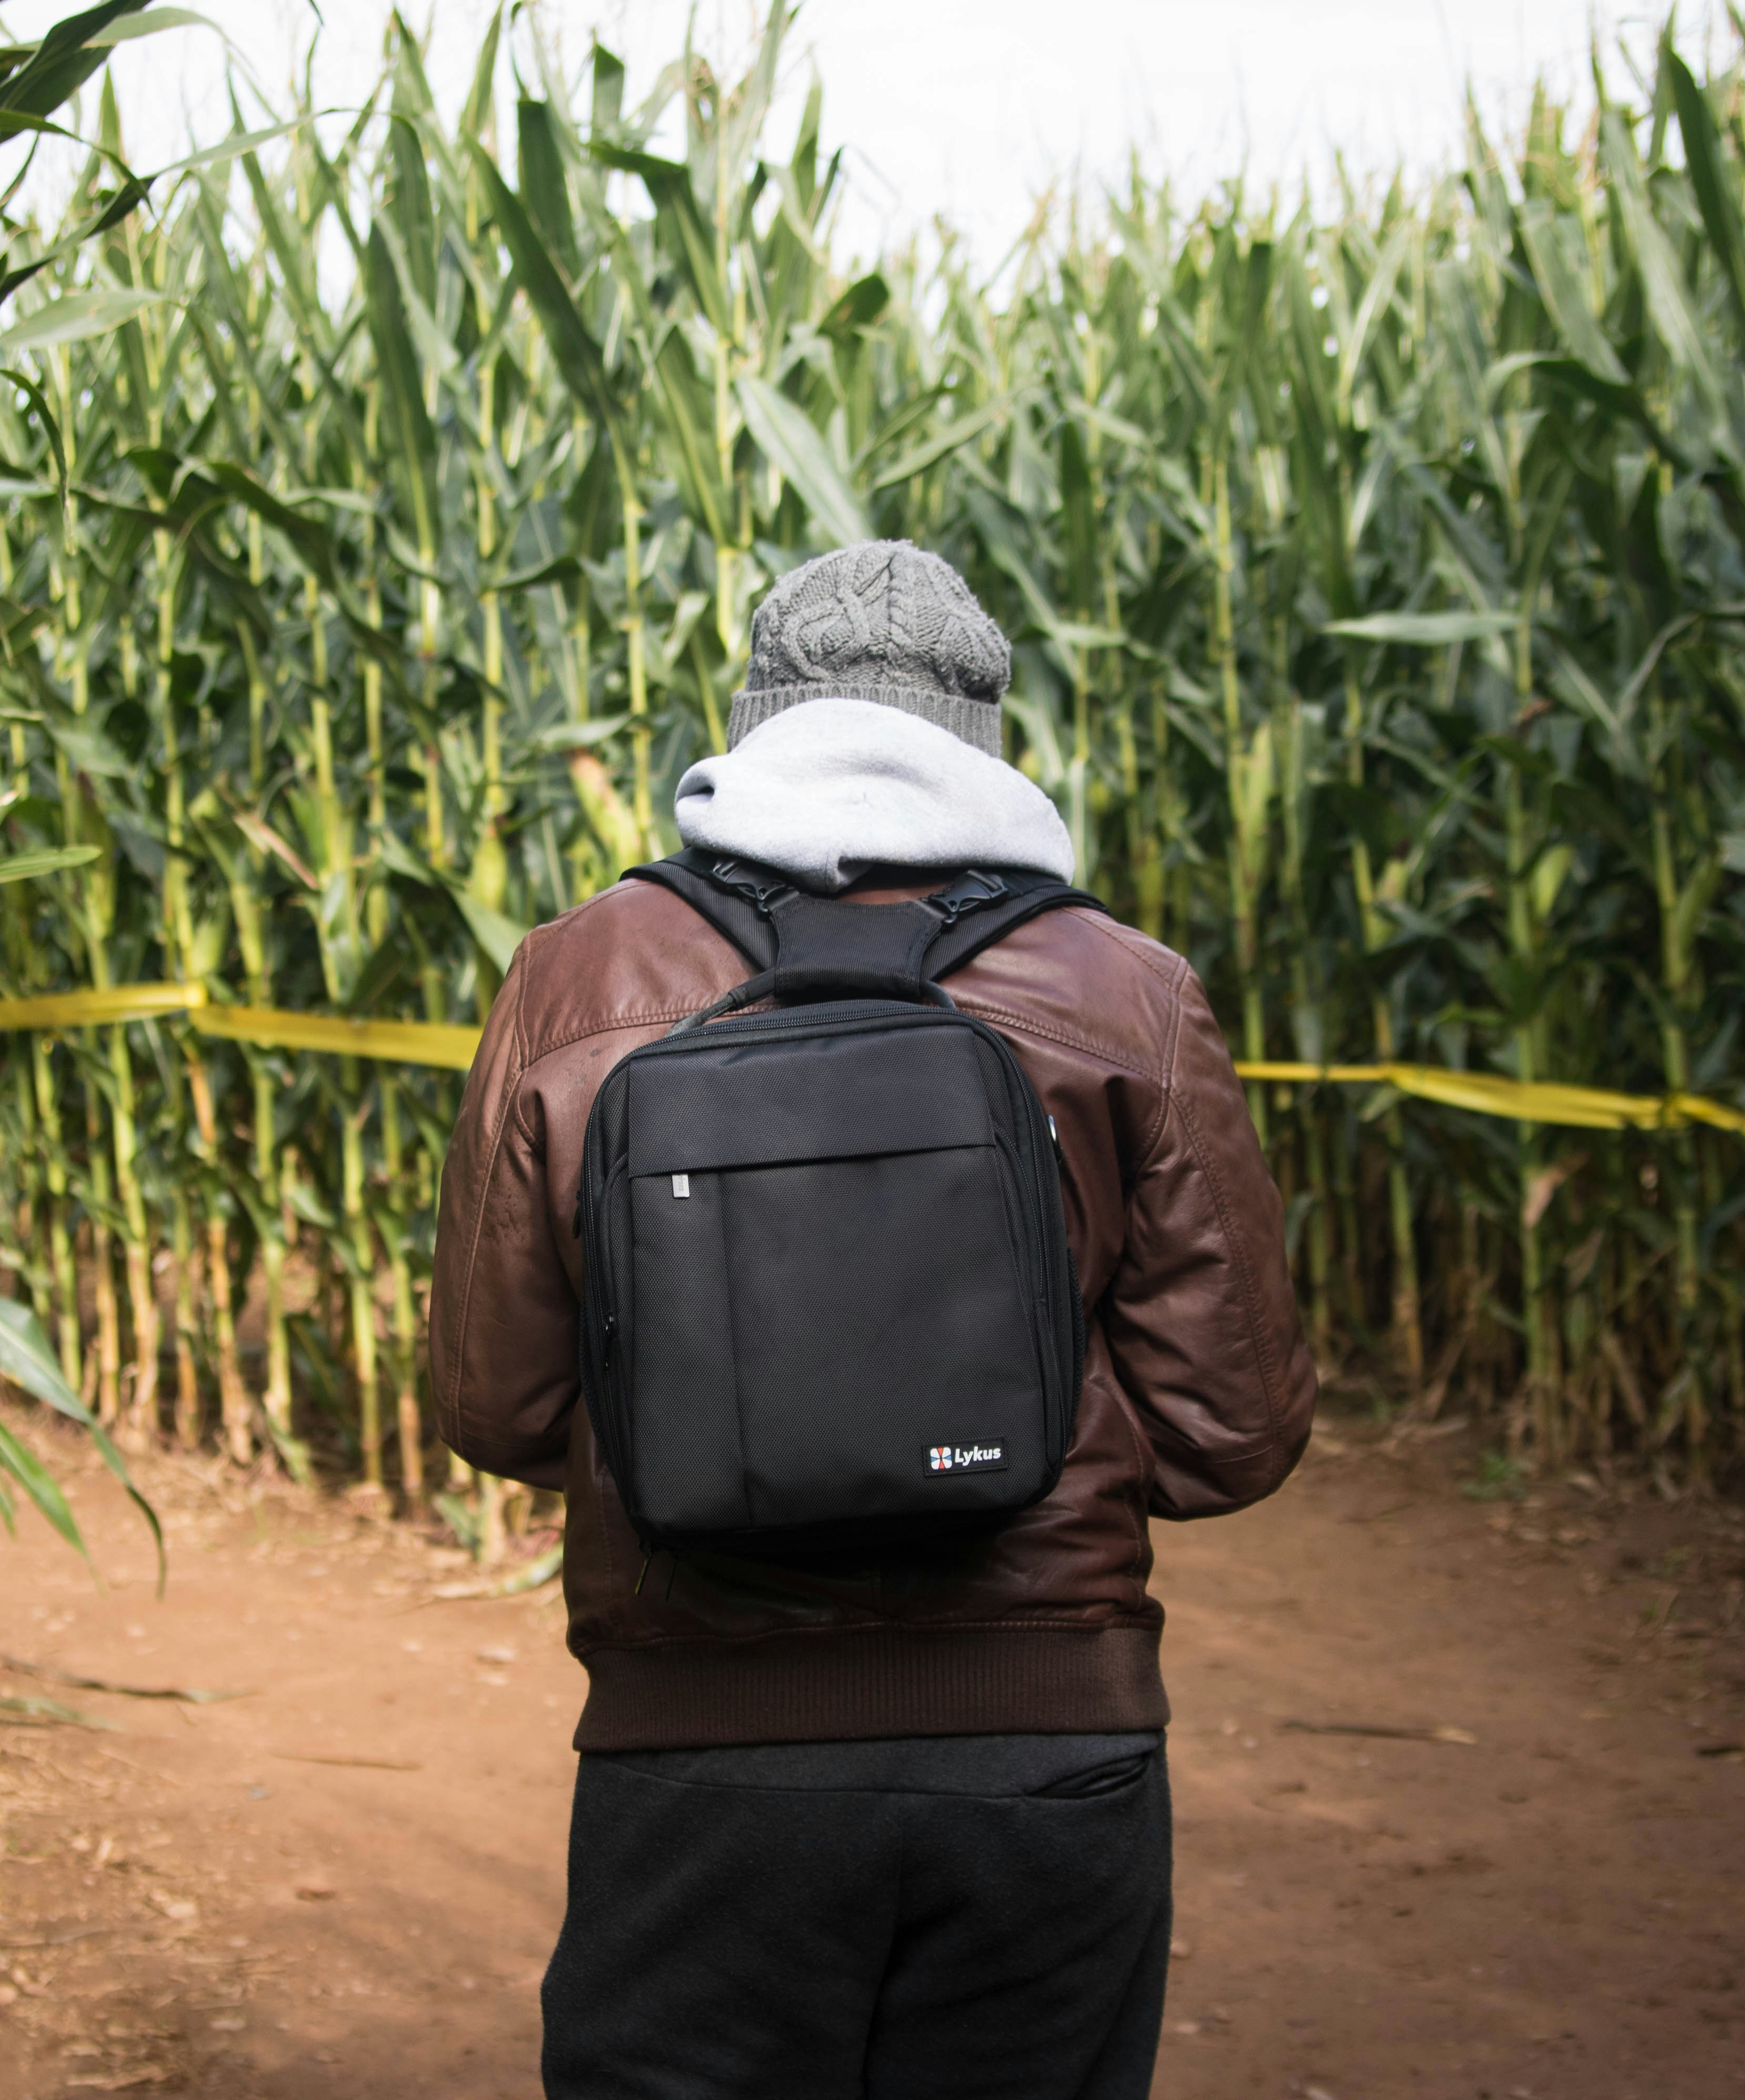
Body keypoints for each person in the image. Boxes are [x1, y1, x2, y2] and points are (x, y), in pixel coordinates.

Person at [432, 538, 1313, 2100]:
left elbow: (498, 1405)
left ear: (759, 720)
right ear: (980, 738)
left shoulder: (577, 978)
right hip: (1047, 1747)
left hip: (701, 1752)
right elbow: (1229, 1435)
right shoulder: (1127, 988)